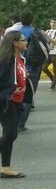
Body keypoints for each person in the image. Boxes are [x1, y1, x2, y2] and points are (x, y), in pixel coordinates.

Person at [0, 31, 28, 178]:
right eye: (23, 40)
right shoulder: (6, 60)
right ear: (15, 43)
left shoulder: (20, 59)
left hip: (17, 101)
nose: (26, 42)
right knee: (11, 134)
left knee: (9, 135)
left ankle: (5, 168)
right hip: (6, 101)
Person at [43, 18, 56, 91]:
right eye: (51, 22)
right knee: (44, 67)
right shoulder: (47, 31)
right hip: (48, 53)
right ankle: (53, 79)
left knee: (55, 69)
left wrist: (46, 36)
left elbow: (55, 42)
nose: (52, 24)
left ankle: (53, 86)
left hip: (55, 53)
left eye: (54, 22)